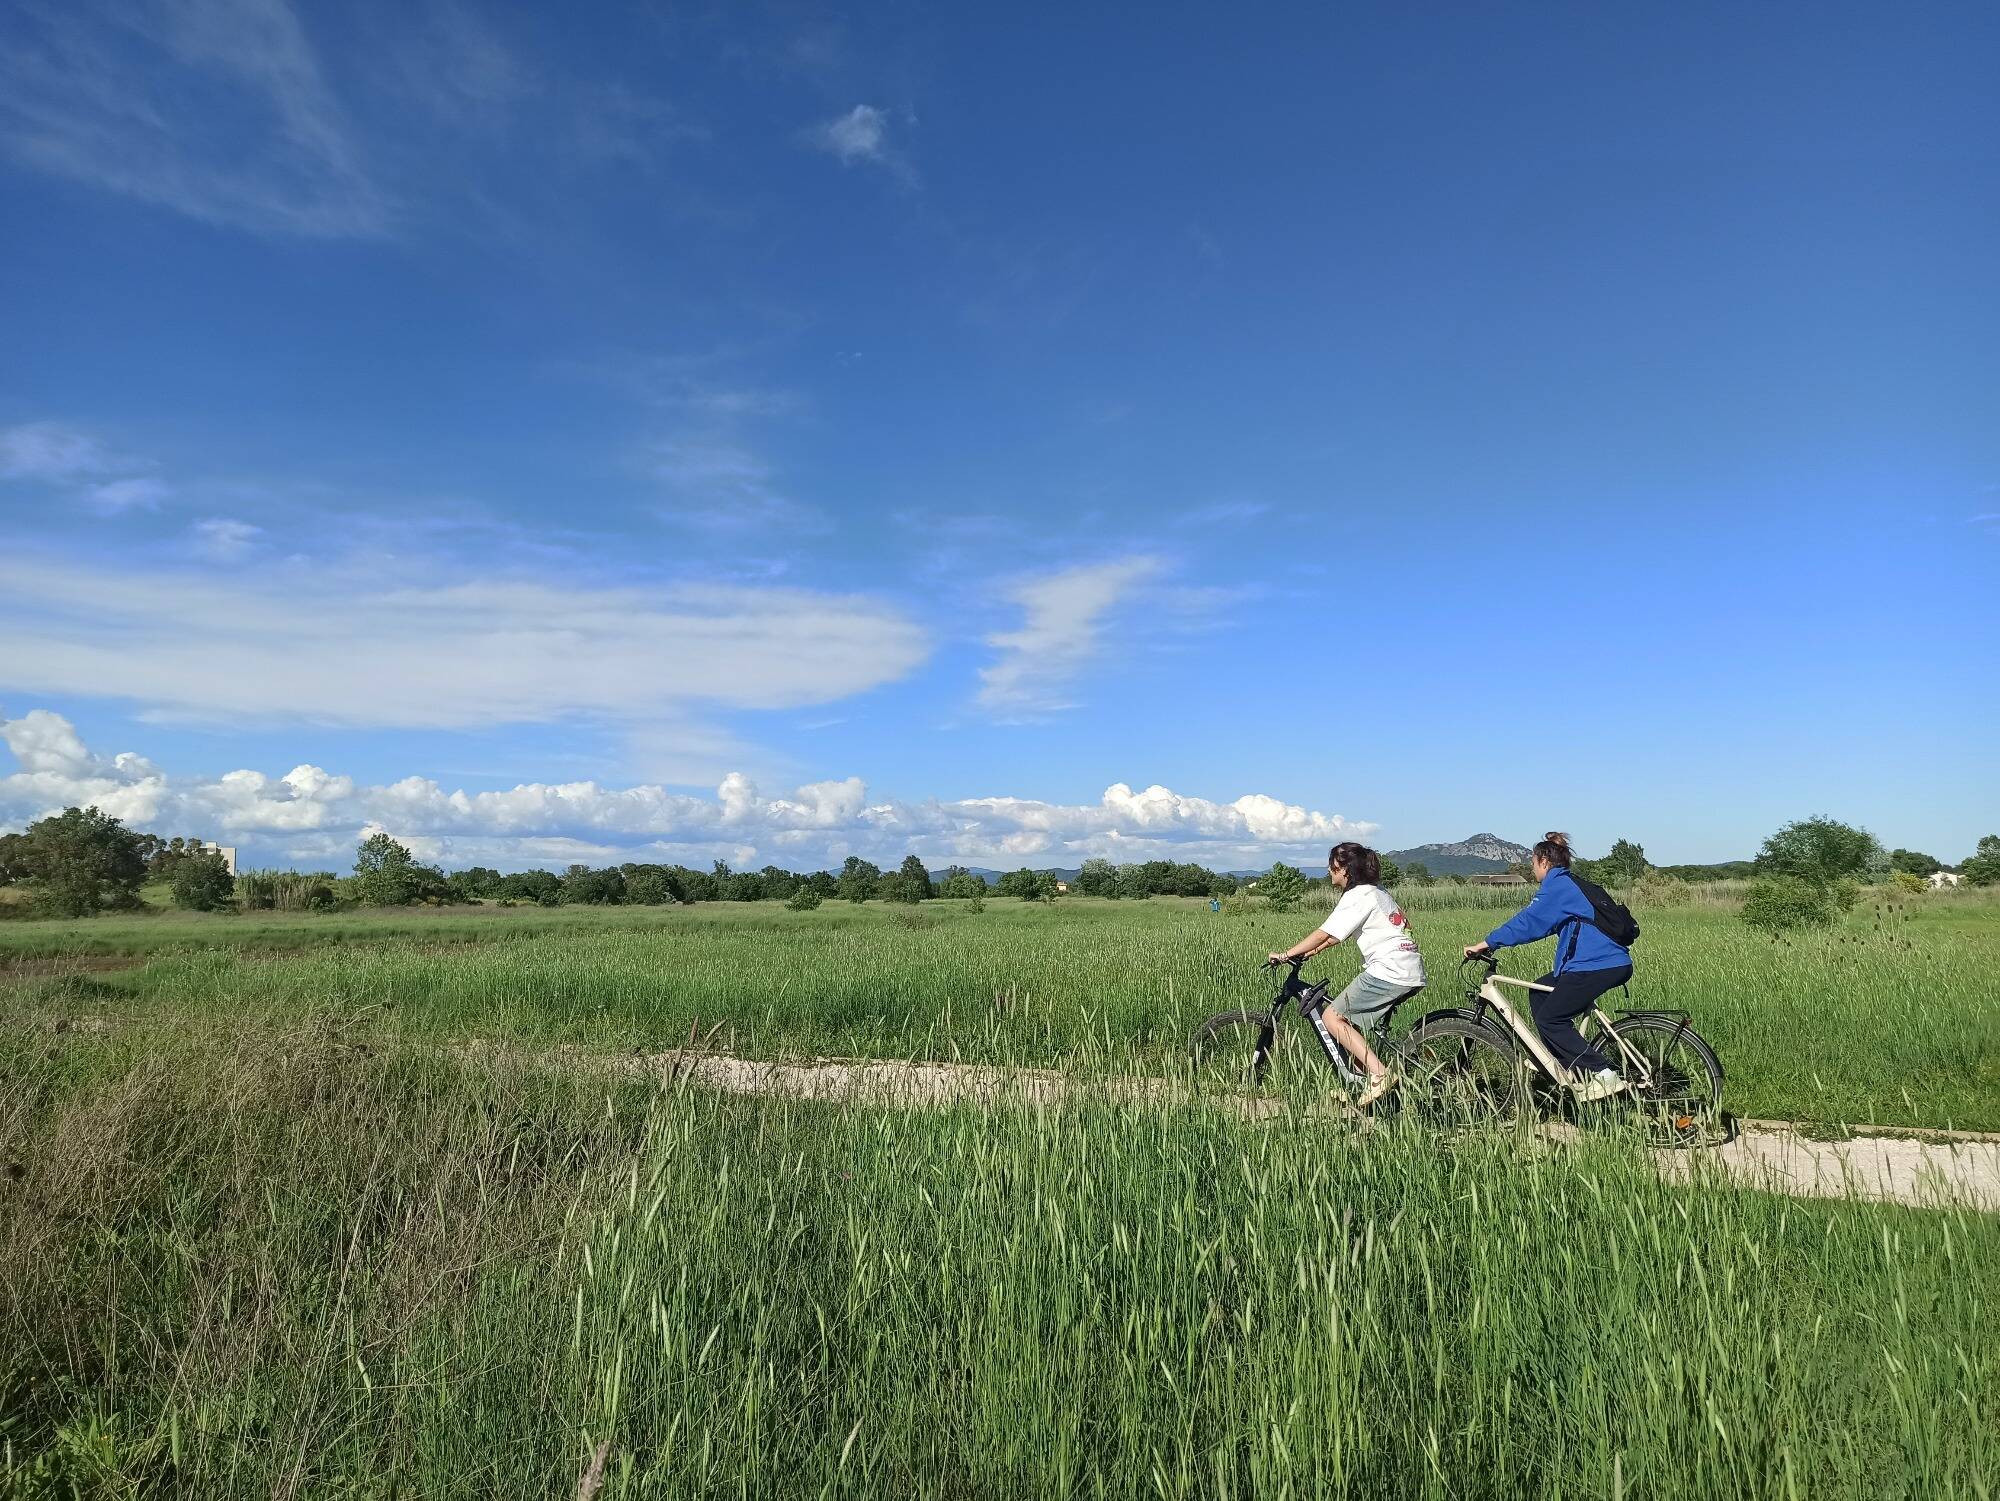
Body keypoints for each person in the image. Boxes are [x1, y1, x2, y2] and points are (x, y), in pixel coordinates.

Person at [1463, 832, 1630, 1100]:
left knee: (1551, 1018)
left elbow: (1529, 922)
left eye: (1532, 864)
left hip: (1597, 965)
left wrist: (1486, 943)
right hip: (1598, 963)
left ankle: (1603, 1073)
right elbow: (1542, 926)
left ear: (1543, 861)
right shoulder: (1569, 884)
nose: (1532, 870)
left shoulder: (1558, 887)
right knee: (1541, 990)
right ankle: (1562, 1060)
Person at [1268, 842, 1426, 1107]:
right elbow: (1334, 938)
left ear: (1345, 869)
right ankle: (1362, 1086)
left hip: (1389, 970)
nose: (1330, 871)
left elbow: (1324, 932)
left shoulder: (1358, 896)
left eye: (1333, 866)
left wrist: (1285, 954)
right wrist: (1310, 952)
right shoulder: (1377, 893)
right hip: (1409, 968)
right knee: (1349, 1028)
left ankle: (1379, 1075)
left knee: (1332, 1018)